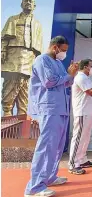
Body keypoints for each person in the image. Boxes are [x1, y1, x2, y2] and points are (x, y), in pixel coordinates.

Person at [24, 36, 78, 197]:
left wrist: (71, 74)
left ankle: (49, 177)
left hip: (61, 108)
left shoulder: (58, 63)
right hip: (49, 108)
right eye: (63, 50)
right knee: (46, 146)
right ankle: (34, 187)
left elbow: (66, 82)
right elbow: (49, 82)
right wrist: (68, 75)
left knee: (57, 146)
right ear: (55, 47)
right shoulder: (42, 60)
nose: (64, 54)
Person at [1, 0, 43, 117]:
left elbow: (38, 45)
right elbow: (4, 38)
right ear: (21, 5)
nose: (28, 3)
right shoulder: (13, 20)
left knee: (25, 83)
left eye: (31, 1)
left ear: (34, 6)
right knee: (11, 80)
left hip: (29, 55)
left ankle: (22, 111)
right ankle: (7, 110)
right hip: (13, 53)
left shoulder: (37, 24)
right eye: (26, 1)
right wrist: (2, 50)